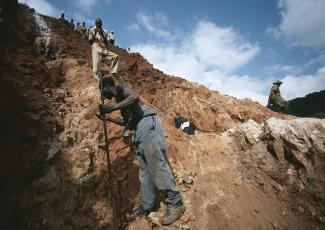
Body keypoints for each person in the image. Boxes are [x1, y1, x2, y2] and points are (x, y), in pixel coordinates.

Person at [98, 75, 186, 226]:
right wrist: (110, 119)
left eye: (101, 90)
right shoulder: (120, 102)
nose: (102, 95)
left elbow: (133, 97)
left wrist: (110, 108)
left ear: (106, 86)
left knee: (156, 164)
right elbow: (127, 121)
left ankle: (176, 203)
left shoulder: (121, 88)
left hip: (146, 123)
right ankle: (147, 206)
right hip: (139, 128)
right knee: (145, 171)